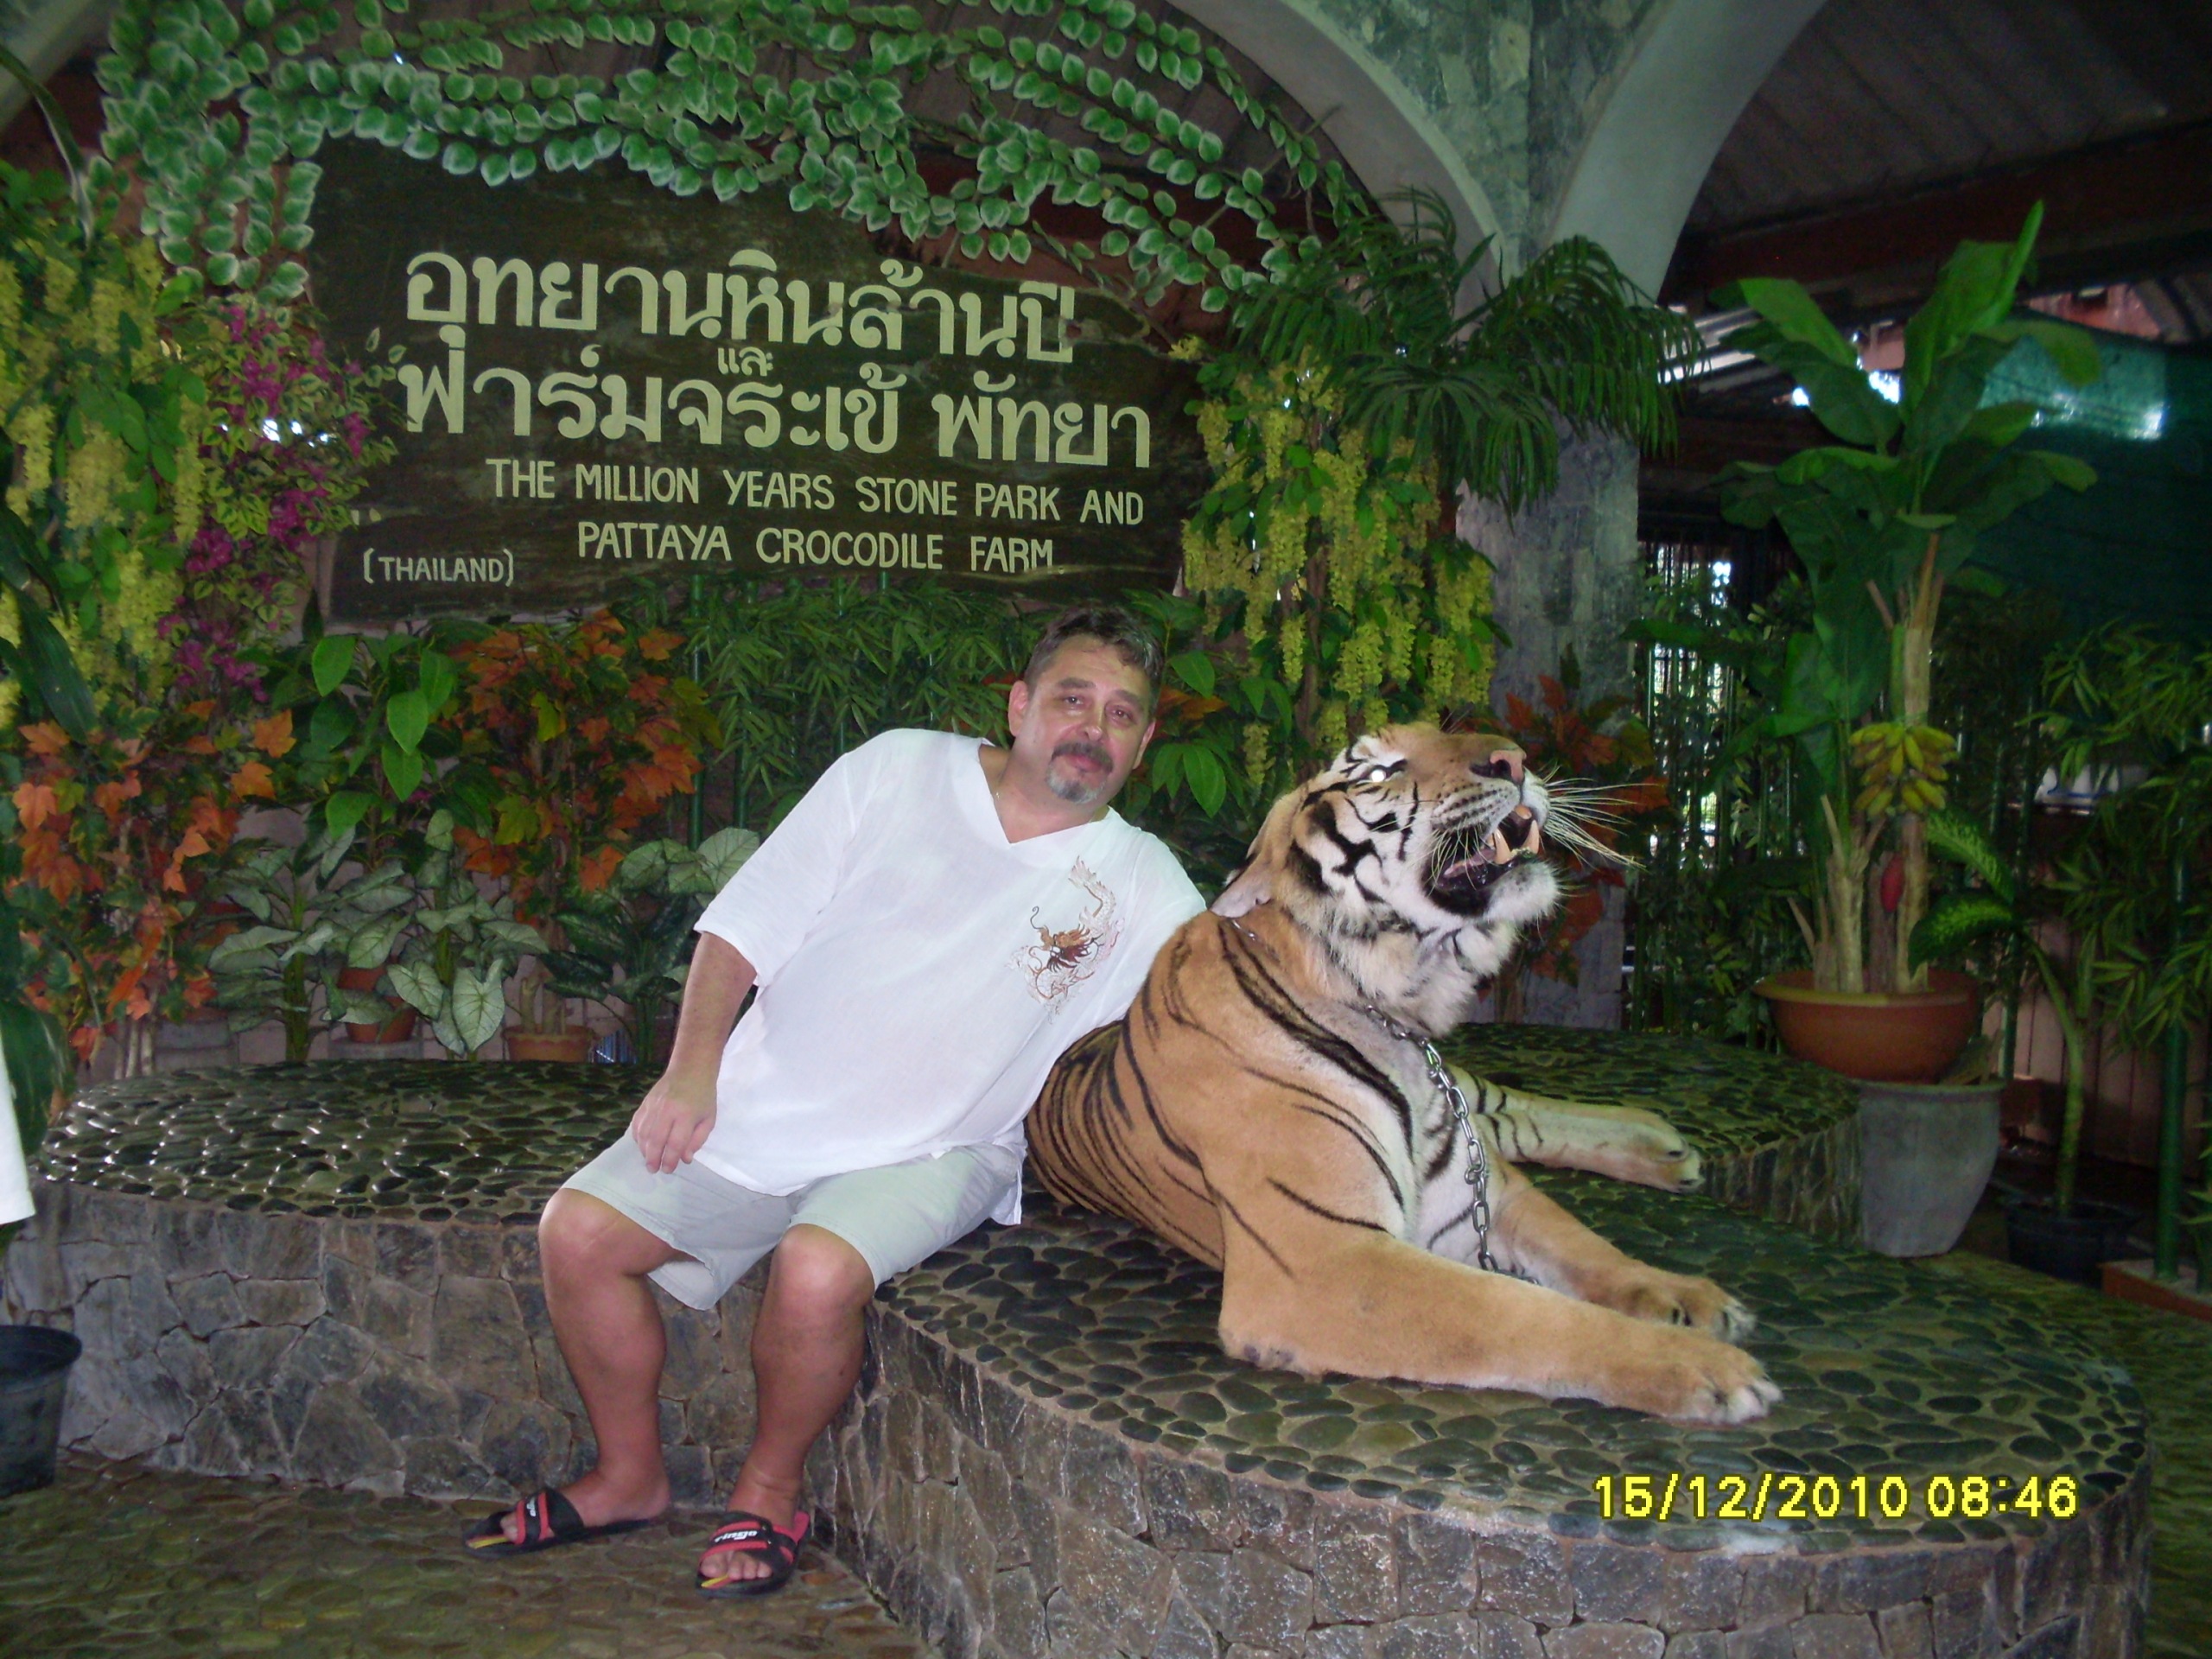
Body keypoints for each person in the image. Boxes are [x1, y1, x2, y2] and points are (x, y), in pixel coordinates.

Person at [466, 603, 1204, 1595]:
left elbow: (1211, 1018)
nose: (1092, 730)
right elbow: (745, 925)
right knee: (579, 1233)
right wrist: (690, 1073)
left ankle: (770, 1493)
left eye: (1121, 714)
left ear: (1143, 744)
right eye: (1073, 700)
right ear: (1020, 704)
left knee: (814, 1270)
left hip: (936, 1148)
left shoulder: (1145, 884)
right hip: (766, 1103)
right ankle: (628, 1476)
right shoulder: (898, 769)